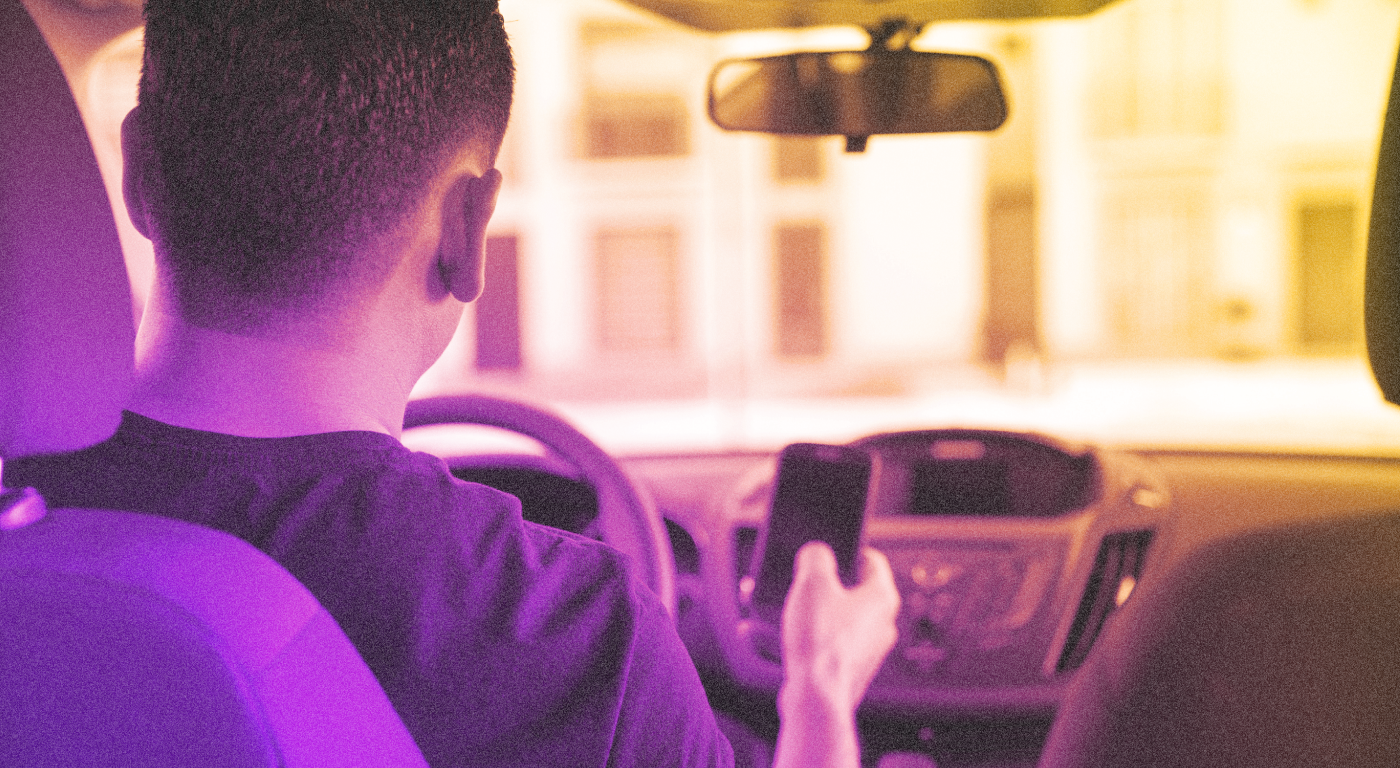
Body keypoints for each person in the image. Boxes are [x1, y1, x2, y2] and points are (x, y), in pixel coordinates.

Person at [8, 1, 901, 766]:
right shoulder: (574, 634)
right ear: (469, 228)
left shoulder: (22, 542)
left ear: (137, 173)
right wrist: (820, 691)